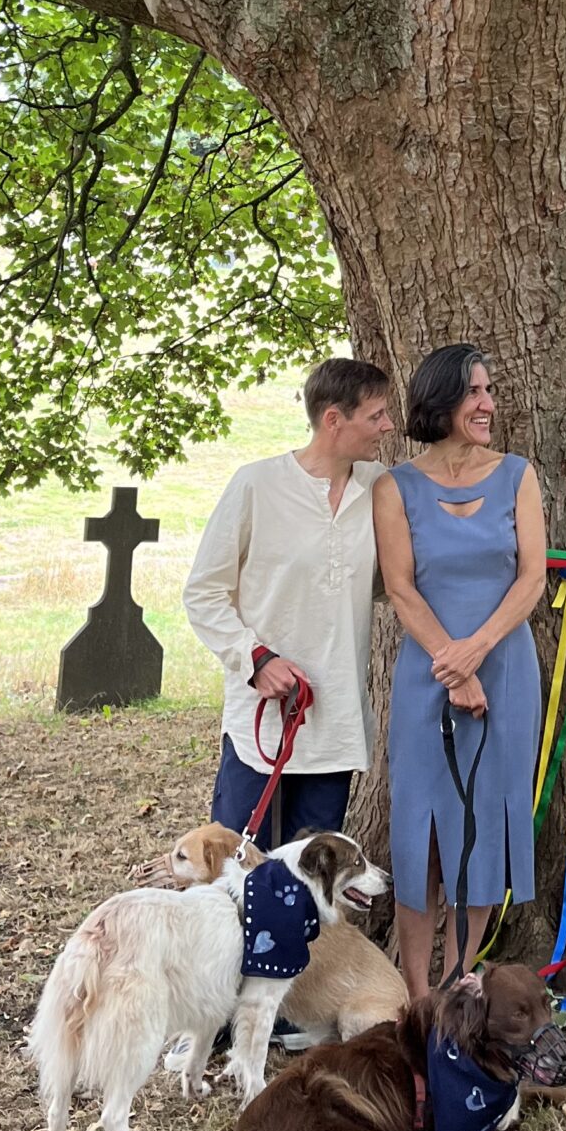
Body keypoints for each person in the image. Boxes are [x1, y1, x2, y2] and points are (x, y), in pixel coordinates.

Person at [374, 345, 547, 999]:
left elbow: (532, 578)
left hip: (504, 673)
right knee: (423, 834)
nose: (487, 404)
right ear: (442, 399)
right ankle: (417, 997)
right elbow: (401, 587)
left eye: (488, 391)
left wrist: (476, 651)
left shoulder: (517, 476)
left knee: (486, 828)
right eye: (474, 392)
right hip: (427, 676)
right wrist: (453, 665)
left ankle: (456, 989)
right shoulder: (395, 488)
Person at [182, 358, 395, 842]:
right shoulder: (257, 485)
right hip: (262, 718)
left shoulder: (378, 487)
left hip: (335, 719)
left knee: (312, 876)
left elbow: (387, 582)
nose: (388, 426)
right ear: (333, 419)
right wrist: (255, 659)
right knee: (239, 866)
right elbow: (204, 591)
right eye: (376, 415)